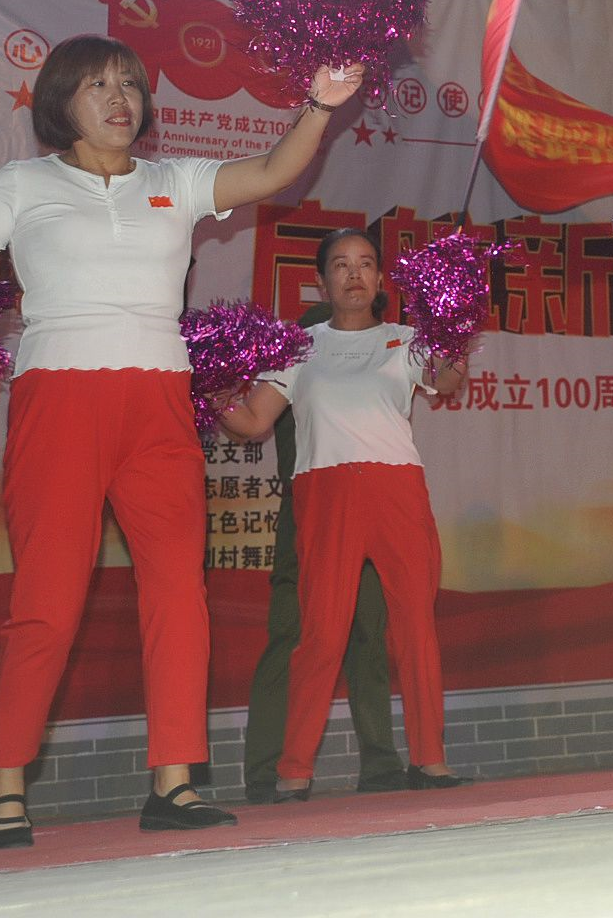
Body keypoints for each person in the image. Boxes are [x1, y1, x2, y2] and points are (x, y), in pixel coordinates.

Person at [0, 35, 362, 848]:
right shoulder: (22, 183)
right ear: (61, 101)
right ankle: (4, 785)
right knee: (47, 601)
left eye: (131, 84)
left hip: (159, 407)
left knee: (178, 593)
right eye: (98, 85)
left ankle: (174, 781)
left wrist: (320, 104)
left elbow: (274, 172)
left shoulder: (177, 181)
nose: (119, 98)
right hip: (59, 402)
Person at [220, 228, 469, 797]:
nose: (354, 274)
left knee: (414, 630)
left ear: (381, 280)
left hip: (397, 493)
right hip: (326, 495)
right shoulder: (298, 348)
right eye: (340, 265)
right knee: (322, 634)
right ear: (321, 281)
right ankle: (293, 773)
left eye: (365, 264)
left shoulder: (405, 340)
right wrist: (210, 389)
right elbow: (255, 420)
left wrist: (450, 320)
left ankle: (430, 761)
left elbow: (450, 381)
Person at [240, 299, 405, 805]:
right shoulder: (300, 353)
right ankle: (269, 770)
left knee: (368, 631)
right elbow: (254, 419)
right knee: (294, 633)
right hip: (310, 515)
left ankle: (380, 764)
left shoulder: (379, 353)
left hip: (371, 509)